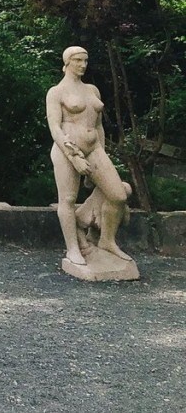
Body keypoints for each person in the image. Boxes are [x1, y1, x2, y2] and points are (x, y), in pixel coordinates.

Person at [45, 46, 131, 266]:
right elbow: (55, 128)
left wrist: (101, 153)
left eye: (85, 60)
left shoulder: (92, 90)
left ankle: (106, 240)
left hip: (94, 150)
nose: (83, 64)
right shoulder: (56, 92)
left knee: (119, 194)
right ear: (67, 62)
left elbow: (99, 126)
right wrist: (73, 157)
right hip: (67, 152)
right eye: (78, 60)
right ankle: (73, 248)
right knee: (68, 199)